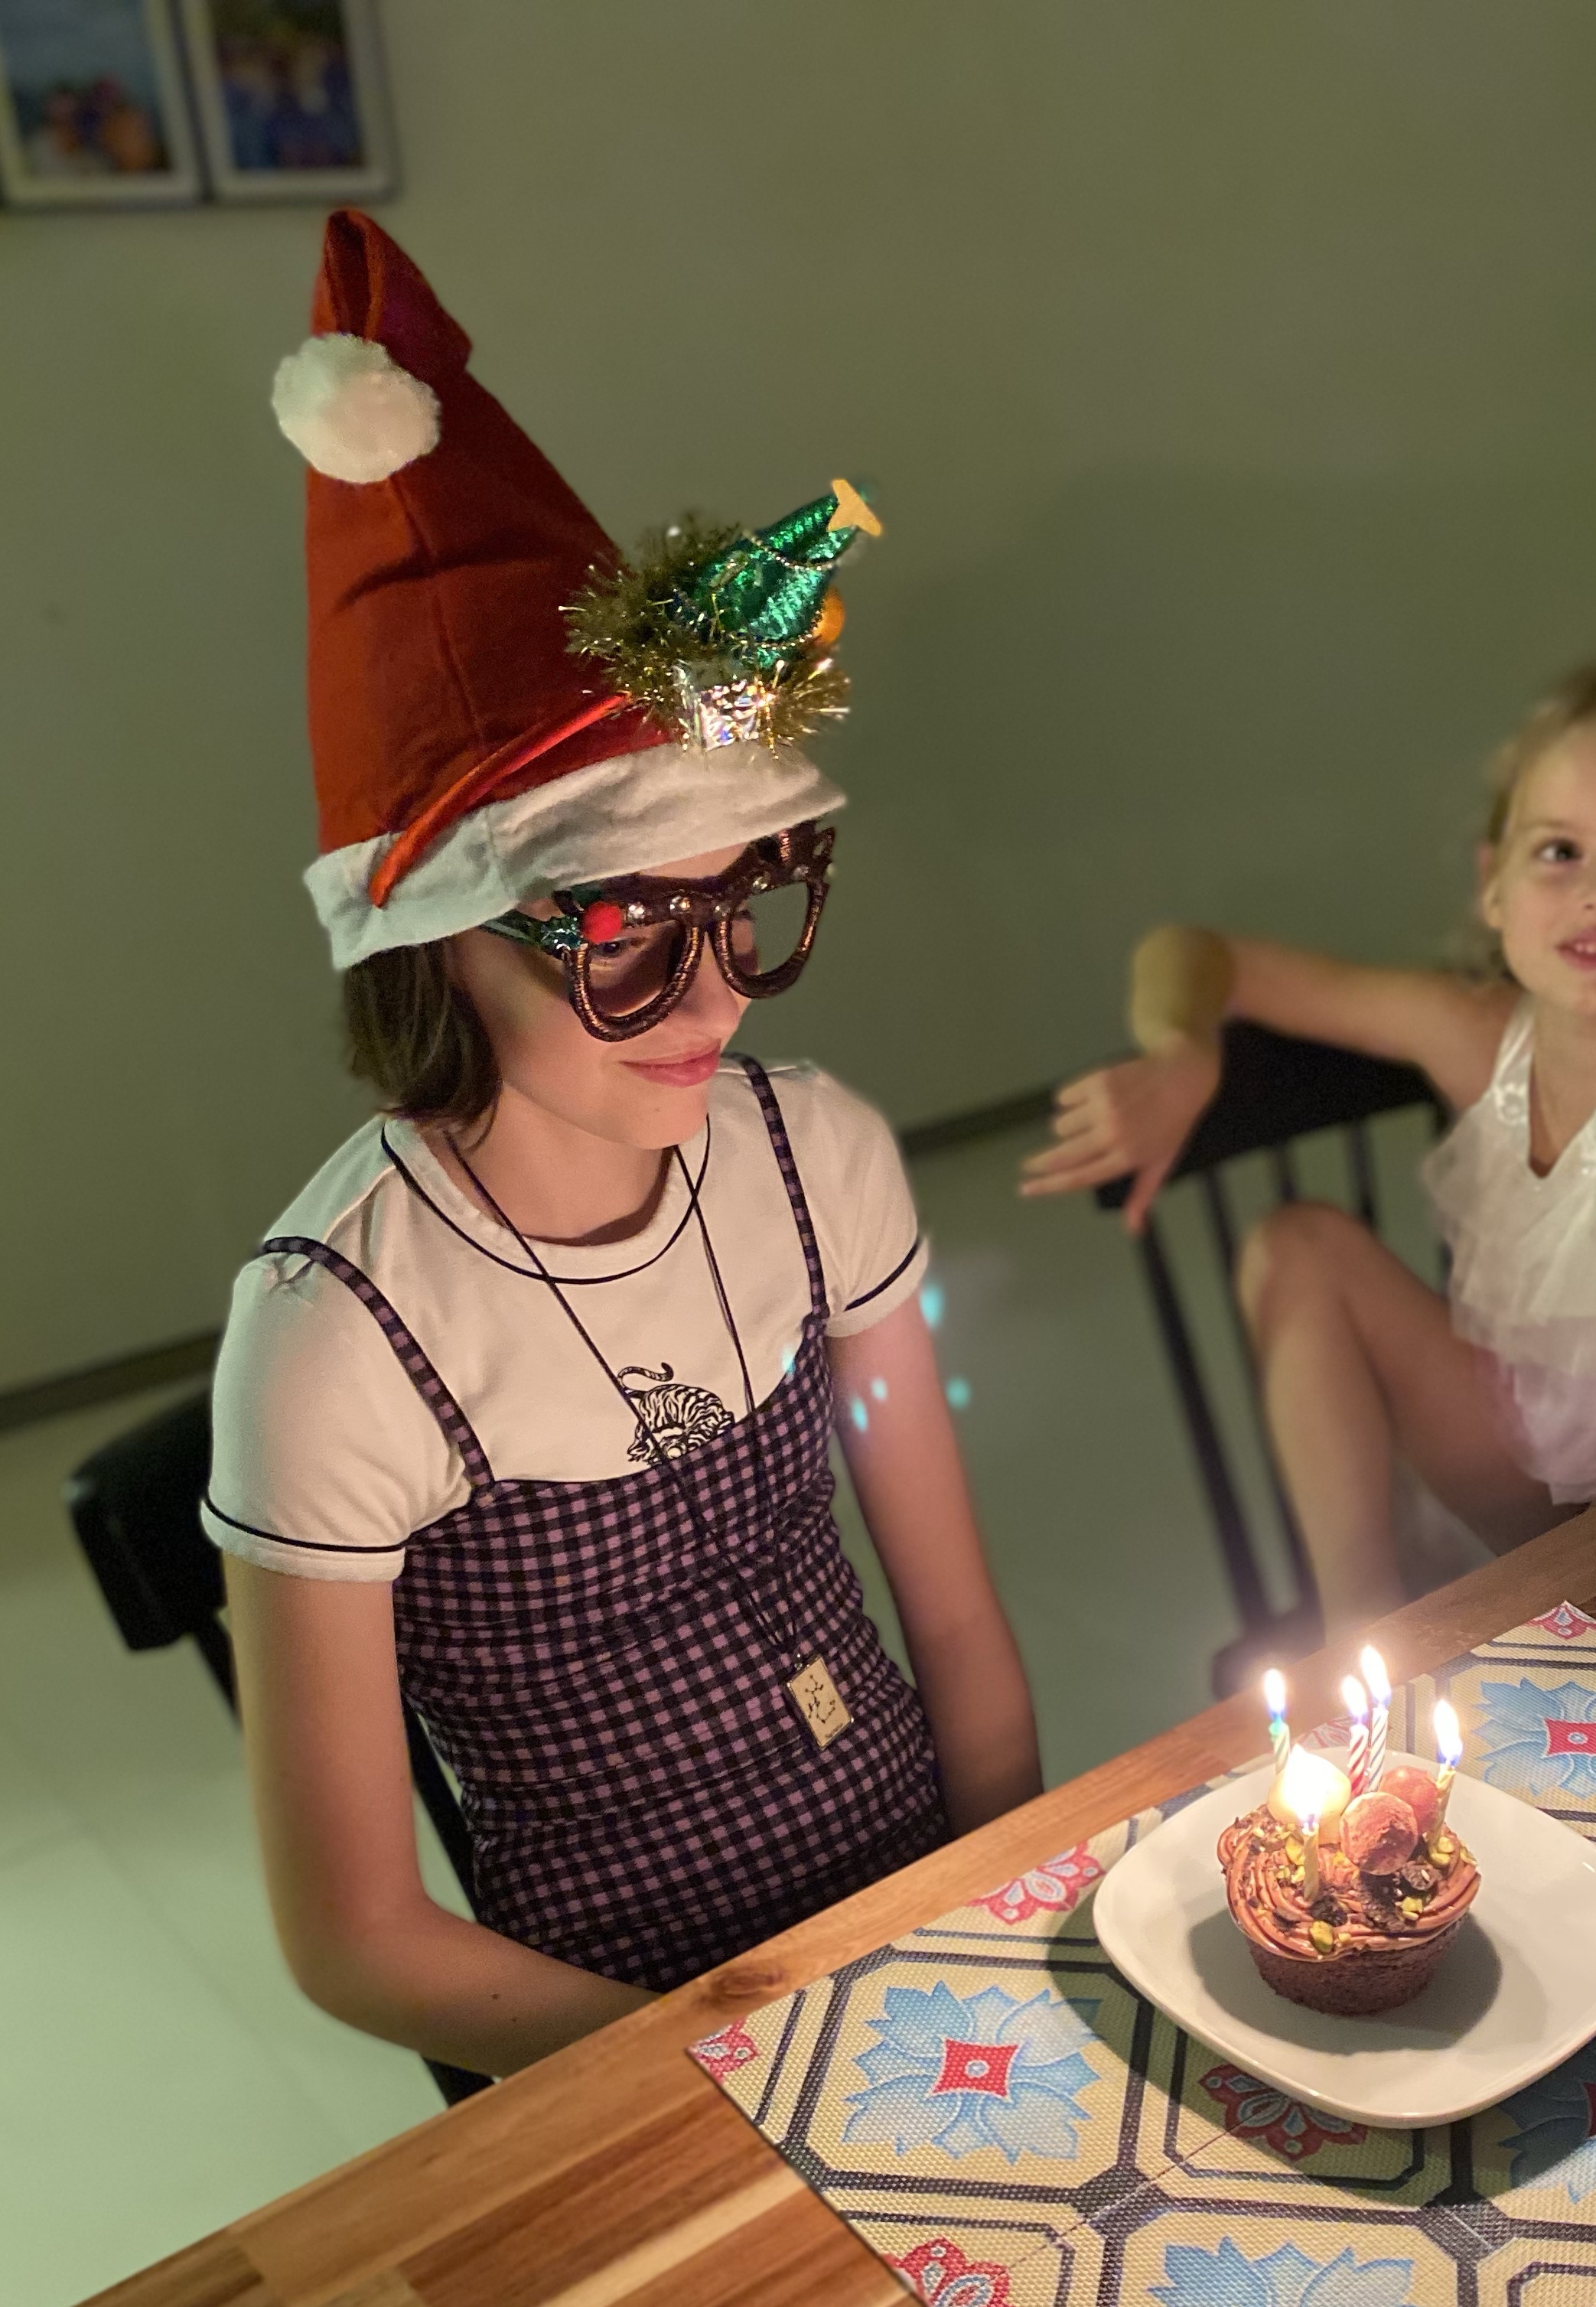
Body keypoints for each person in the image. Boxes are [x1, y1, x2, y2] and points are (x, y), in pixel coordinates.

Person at [211, 212, 1038, 2081]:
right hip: (631, 2040)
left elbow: (959, 1627)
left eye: (748, 902)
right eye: (623, 931)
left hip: (929, 1913)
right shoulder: (337, 1335)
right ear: (442, 938)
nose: (716, 993)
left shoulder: (819, 1158)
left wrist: (1000, 1903)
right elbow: (356, 1939)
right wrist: (735, 2075)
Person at [1021, 666, 1596, 1647]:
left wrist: (1536, 1610)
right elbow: (1201, 952)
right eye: (1560, 851)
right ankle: (1358, 1636)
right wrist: (1181, 1051)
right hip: (1532, 1471)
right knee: (1296, 1247)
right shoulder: (1477, 1034)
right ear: (1493, 883)